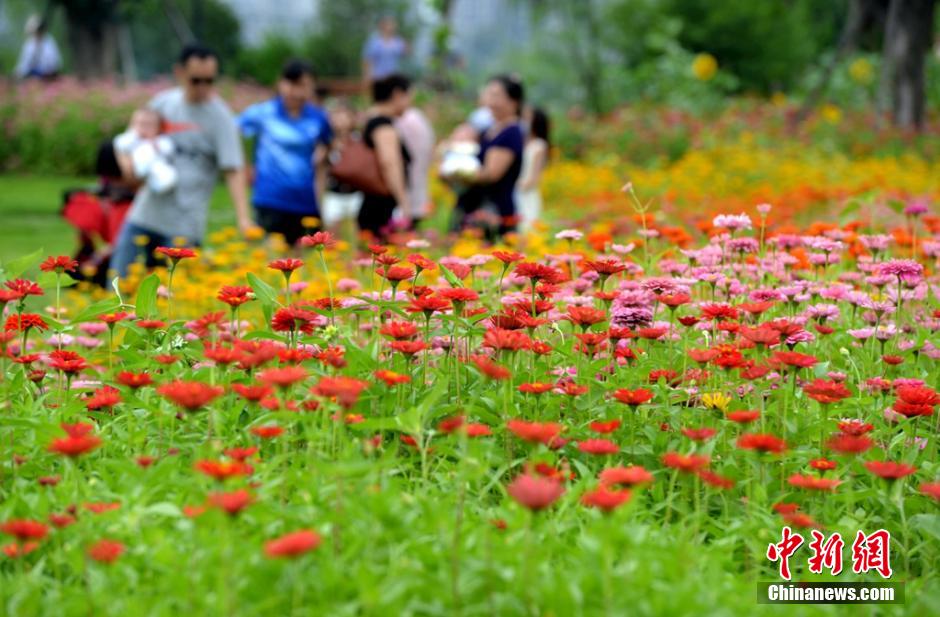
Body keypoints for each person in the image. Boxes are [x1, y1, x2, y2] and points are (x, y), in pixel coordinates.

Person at [109, 43, 251, 277]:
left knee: (174, 300)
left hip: (185, 224)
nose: (203, 88)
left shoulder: (221, 117)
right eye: (196, 80)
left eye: (210, 81)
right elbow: (129, 140)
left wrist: (244, 219)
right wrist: (128, 168)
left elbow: (233, 169)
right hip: (145, 213)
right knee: (116, 286)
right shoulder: (162, 103)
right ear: (180, 73)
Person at [238, 59, 333, 247]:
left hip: (306, 201)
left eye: (304, 86)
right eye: (293, 84)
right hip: (271, 199)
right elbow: (233, 133)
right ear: (281, 83)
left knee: (306, 266)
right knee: (269, 262)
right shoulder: (263, 113)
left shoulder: (318, 117)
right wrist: (245, 164)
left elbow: (327, 147)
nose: (297, 92)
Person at [450, 75, 525, 239]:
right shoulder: (490, 129)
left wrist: (456, 173)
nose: (490, 102)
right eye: (489, 95)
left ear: (514, 101)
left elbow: (491, 174)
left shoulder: (511, 132)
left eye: (496, 96)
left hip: (492, 211)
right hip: (473, 206)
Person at [359, 73, 412, 239]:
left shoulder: (372, 118)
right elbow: (389, 162)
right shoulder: (383, 125)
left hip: (372, 202)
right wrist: (403, 201)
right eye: (409, 97)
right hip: (381, 205)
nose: (410, 103)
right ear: (397, 94)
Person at [321, 99, 364, 237]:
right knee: (332, 234)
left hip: (356, 192)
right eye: (336, 115)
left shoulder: (359, 140)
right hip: (334, 192)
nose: (340, 120)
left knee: (358, 233)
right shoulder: (327, 141)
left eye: (344, 115)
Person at [113, 108, 178, 195]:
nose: (144, 128)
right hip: (136, 167)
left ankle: (160, 186)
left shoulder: (160, 140)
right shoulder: (131, 138)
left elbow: (169, 150)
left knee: (167, 175)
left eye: (149, 125)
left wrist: (156, 146)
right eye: (141, 124)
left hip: (155, 165)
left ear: (158, 128)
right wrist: (134, 136)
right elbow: (120, 144)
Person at [395, 105, 435, 228]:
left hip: (405, 185)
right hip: (418, 184)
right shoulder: (417, 117)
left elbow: (390, 162)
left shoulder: (405, 120)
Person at [516, 106, 550, 235]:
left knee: (527, 227)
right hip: (516, 190)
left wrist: (518, 186)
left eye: (527, 118)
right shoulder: (520, 141)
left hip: (527, 193)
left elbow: (535, 178)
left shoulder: (539, 145)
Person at [362, 16, 408, 85]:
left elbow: (405, 53)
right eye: (390, 24)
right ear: (382, 25)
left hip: (393, 76)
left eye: (393, 24)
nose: (392, 27)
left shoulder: (397, 41)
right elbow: (367, 59)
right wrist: (367, 75)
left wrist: (407, 48)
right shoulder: (374, 41)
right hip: (377, 76)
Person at [14, 16, 61, 80]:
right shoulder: (29, 43)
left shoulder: (49, 42)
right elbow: (24, 62)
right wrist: (19, 72)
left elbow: (54, 61)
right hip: (31, 73)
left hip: (47, 74)